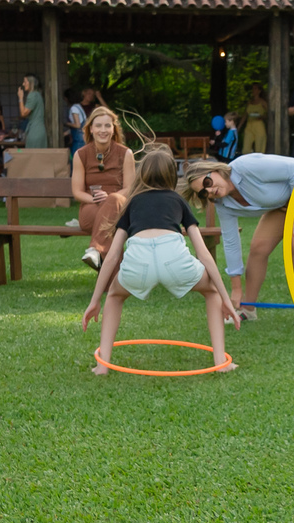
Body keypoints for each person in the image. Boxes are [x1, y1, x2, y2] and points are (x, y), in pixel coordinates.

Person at [82, 146, 241, 375]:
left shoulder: (132, 202)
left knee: (115, 295)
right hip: (175, 260)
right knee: (211, 292)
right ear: (171, 176)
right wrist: (225, 298)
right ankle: (220, 361)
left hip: (138, 263)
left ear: (142, 174)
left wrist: (95, 300)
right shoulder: (178, 201)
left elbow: (113, 256)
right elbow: (204, 254)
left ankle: (102, 365)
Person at [183, 154, 294, 328]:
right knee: (258, 248)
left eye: (207, 183)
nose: (209, 191)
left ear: (215, 170)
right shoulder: (223, 204)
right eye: (203, 192)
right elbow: (231, 242)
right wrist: (236, 287)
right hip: (284, 201)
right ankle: (248, 309)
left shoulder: (246, 167)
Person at [69, 106, 135, 270]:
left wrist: (110, 198)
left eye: (107, 126)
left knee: (113, 203)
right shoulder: (80, 154)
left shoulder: (126, 154)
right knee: (113, 225)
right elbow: (77, 192)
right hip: (90, 209)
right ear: (91, 129)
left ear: (114, 129)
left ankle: (95, 251)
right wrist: (95, 199)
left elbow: (129, 188)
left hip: (119, 207)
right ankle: (112, 277)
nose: (103, 130)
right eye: (98, 126)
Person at [17, 73, 47, 148]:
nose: (23, 84)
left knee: (33, 157)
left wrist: (20, 98)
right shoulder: (37, 94)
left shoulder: (32, 95)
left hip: (35, 131)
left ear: (31, 83)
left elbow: (23, 114)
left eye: (25, 82)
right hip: (39, 129)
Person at [239, 83, 268, 155]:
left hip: (259, 124)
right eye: (252, 88)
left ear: (259, 91)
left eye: (255, 89)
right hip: (249, 124)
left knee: (259, 148)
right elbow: (245, 115)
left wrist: (262, 117)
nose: (253, 90)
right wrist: (239, 126)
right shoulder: (250, 102)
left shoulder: (263, 102)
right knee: (246, 149)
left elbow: (268, 114)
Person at [64, 88, 87, 158]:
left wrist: (66, 123)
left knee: (76, 160)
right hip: (83, 138)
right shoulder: (79, 106)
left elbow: (77, 125)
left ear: (67, 98)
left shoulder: (73, 108)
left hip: (78, 140)